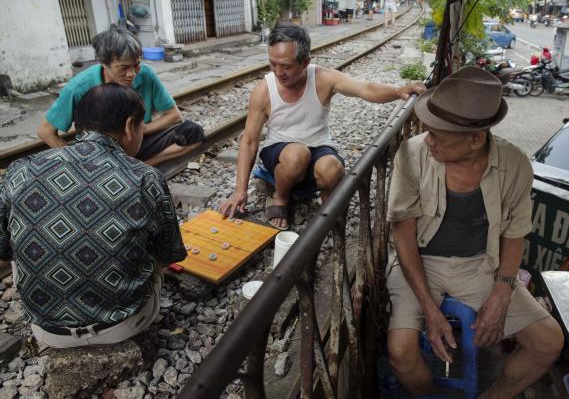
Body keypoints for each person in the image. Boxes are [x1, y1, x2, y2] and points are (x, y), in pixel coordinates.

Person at [385, 67, 564, 399]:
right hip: (418, 264)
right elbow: (404, 237)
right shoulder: (412, 154)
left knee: (548, 341)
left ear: (476, 139)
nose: (429, 140)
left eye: (439, 136)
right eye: (429, 130)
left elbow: (514, 233)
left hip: (481, 265)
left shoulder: (515, 164)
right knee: (400, 351)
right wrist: (429, 308)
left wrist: (502, 293)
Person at [0, 83, 186, 348]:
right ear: (129, 125)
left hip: (48, 332)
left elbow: (4, 250)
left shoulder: (20, 170)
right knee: (153, 250)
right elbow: (171, 254)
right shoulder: (144, 177)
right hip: (121, 326)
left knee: (21, 234)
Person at [219, 23, 424, 230]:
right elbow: (249, 141)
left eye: (287, 66)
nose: (279, 72)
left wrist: (398, 91)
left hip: (318, 146)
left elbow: (365, 88)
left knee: (332, 169)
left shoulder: (324, 79)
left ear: (305, 62)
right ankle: (280, 197)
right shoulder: (264, 90)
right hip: (281, 152)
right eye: (273, 64)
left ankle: (328, 210)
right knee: (297, 155)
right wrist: (240, 190)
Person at [37, 25, 204, 166]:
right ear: (104, 63)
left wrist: (139, 130)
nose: (132, 74)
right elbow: (46, 131)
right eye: (123, 68)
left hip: (135, 142)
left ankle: (138, 168)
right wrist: (79, 165)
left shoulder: (145, 74)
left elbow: (174, 116)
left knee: (192, 133)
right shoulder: (78, 88)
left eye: (136, 65)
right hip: (99, 153)